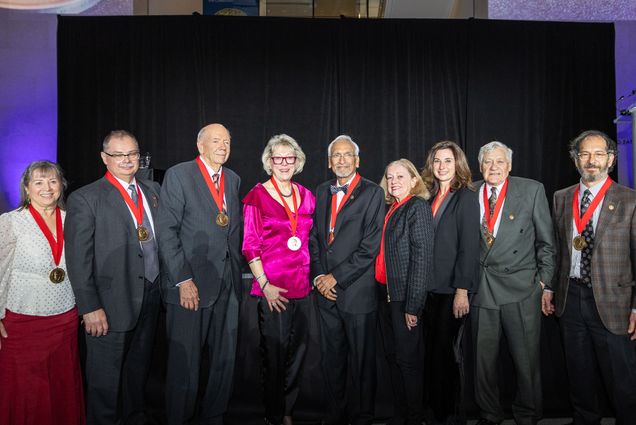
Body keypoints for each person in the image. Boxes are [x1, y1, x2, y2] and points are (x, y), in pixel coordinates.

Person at [66, 130, 161, 425]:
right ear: (105, 158)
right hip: (108, 305)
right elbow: (78, 260)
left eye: (132, 153)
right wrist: (89, 307)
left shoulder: (153, 191)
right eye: (119, 155)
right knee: (105, 384)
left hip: (151, 297)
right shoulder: (85, 198)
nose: (127, 160)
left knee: (137, 374)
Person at [544, 130, 636, 425]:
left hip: (614, 302)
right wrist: (549, 288)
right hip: (570, 298)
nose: (591, 160)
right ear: (575, 160)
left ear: (611, 159)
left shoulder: (630, 200)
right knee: (579, 375)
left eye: (598, 154)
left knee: (621, 381)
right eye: (584, 154)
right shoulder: (561, 198)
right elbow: (557, 249)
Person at [156, 123, 242, 425]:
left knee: (224, 361)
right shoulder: (179, 175)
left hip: (227, 284)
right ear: (200, 146)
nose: (223, 146)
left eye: (227, 141)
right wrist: (182, 279)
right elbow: (166, 231)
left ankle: (214, 417)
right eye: (216, 141)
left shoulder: (232, 179)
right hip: (190, 284)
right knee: (185, 364)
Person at [471, 141, 555, 425]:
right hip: (481, 289)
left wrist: (543, 283)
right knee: (483, 364)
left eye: (499, 162)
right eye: (487, 162)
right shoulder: (469, 192)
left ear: (509, 165)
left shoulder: (531, 190)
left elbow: (547, 243)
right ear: (479, 165)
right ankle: (489, 415)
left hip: (521, 288)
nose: (493, 167)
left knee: (526, 362)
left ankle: (528, 416)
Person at [0, 161, 85, 425]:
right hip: (22, 323)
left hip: (64, 319)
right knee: (26, 393)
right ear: (27, 188)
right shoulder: (11, 222)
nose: (46, 188)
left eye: (53, 181)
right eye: (38, 182)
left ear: (62, 186)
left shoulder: (73, 220)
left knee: (63, 387)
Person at [309, 135, 384, 425]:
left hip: (356, 292)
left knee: (363, 364)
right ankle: (334, 416)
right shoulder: (321, 190)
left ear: (357, 160)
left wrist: (335, 279)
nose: (341, 160)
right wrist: (318, 277)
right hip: (325, 294)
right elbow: (315, 240)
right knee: (332, 360)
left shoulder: (373, 193)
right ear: (329, 162)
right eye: (336, 156)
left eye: (347, 155)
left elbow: (369, 247)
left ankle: (363, 417)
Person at [242, 134, 316, 425]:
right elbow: (249, 245)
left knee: (297, 355)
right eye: (278, 158)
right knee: (274, 355)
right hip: (273, 289)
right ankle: (272, 415)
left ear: (297, 161)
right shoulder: (256, 196)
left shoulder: (307, 195)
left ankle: (287, 410)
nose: (284, 163)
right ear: (269, 162)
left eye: (290, 158)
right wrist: (265, 285)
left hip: (302, 287)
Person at [421, 141, 480, 425]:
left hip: (451, 291)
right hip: (429, 290)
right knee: (432, 355)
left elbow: (469, 247)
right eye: (437, 161)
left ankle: (451, 415)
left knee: (448, 356)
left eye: (448, 160)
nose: (442, 166)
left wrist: (462, 290)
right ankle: (436, 412)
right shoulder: (430, 197)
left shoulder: (466, 197)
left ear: (458, 164)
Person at [375, 158, 433, 425]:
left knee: (408, 363)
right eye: (389, 177)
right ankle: (400, 415)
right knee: (393, 358)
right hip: (384, 296)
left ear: (413, 180)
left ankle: (414, 417)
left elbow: (422, 259)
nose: (393, 181)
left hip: (403, 299)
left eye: (400, 176)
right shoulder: (391, 208)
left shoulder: (417, 207)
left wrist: (413, 305)